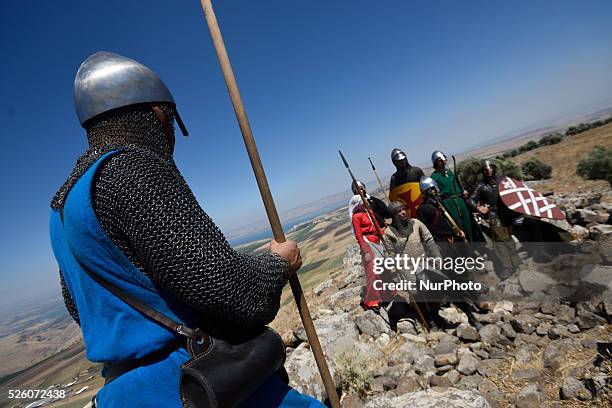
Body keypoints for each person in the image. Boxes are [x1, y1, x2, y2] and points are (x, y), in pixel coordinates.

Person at [49, 52, 322, 408]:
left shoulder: (62, 210)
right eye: (170, 122)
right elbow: (232, 291)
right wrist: (278, 263)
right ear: (157, 113)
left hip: (124, 396)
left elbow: (84, 309)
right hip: (193, 384)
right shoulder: (129, 170)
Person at [467, 160, 522, 279]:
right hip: (493, 214)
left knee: (508, 238)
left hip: (507, 213)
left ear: (494, 168)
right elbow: (470, 200)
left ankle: (516, 262)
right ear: (483, 171)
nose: (488, 171)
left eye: (490, 168)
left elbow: (515, 192)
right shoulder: (481, 186)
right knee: (499, 241)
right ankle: (508, 267)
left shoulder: (503, 181)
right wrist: (478, 208)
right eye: (486, 169)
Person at [430, 151, 481, 242]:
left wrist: (463, 191)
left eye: (443, 159)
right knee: (457, 226)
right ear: (435, 163)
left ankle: (475, 244)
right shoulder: (434, 177)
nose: (442, 161)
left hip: (460, 200)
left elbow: (457, 185)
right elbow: (436, 195)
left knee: (468, 222)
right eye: (439, 160)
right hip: (448, 203)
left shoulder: (449, 172)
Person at [351, 199, 391, 310]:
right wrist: (364, 249)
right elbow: (358, 235)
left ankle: (387, 294)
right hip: (367, 243)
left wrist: (384, 236)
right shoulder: (356, 217)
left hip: (377, 240)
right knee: (373, 272)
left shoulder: (369, 212)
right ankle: (372, 301)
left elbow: (377, 226)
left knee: (384, 268)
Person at [417, 176, 466, 245]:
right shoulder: (422, 209)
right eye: (430, 189)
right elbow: (426, 229)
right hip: (440, 240)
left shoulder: (438, 201)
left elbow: (449, 215)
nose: (433, 191)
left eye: (433, 188)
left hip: (453, 234)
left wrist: (459, 229)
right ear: (425, 192)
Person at [388, 148, 425, 218]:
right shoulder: (394, 178)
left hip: (423, 205)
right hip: (408, 212)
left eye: (403, 159)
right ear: (394, 162)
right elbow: (394, 198)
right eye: (399, 160)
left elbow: (426, 187)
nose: (402, 161)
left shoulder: (416, 171)